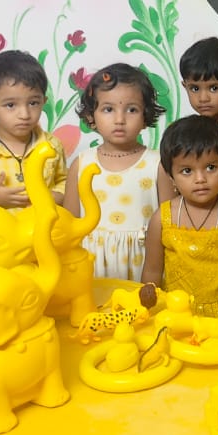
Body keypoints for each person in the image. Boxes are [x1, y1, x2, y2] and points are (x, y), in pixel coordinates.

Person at [142, 116, 218, 327]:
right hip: (178, 316)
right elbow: (152, 271)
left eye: (211, 167)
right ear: (171, 176)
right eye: (187, 171)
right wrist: (145, 314)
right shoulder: (162, 218)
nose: (200, 179)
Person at [63, 63, 165, 281]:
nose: (120, 120)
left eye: (132, 110)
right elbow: (70, 225)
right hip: (92, 265)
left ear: (146, 116)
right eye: (108, 109)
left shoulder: (157, 164)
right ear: (91, 117)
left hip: (144, 264)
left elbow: (171, 224)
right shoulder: (81, 164)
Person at [0, 49, 66, 210]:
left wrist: (57, 196)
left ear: (43, 102)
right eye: (10, 105)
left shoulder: (52, 145)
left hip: (42, 225)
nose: (24, 114)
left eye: (33, 103)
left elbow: (64, 180)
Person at [161, 37, 218, 201]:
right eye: (194, 88)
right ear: (185, 86)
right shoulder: (184, 136)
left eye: (214, 88)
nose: (203, 98)